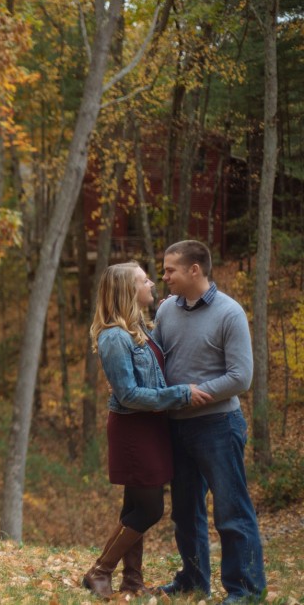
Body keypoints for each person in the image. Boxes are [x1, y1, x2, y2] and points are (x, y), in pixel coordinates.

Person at [82, 262, 213, 599]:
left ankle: (132, 581)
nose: (152, 283)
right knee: (150, 509)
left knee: (135, 505)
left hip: (152, 425)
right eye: (144, 280)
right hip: (133, 428)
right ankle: (100, 571)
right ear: (129, 290)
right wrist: (180, 394)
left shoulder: (138, 328)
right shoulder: (114, 336)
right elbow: (128, 394)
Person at [152, 240, 266, 603]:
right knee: (185, 513)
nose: (164, 276)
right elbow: (155, 360)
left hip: (218, 426)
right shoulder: (166, 310)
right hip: (176, 427)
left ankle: (245, 590)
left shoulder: (230, 313)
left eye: (170, 269)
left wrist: (194, 392)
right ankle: (193, 580)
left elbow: (241, 377)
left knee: (232, 511)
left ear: (194, 270)